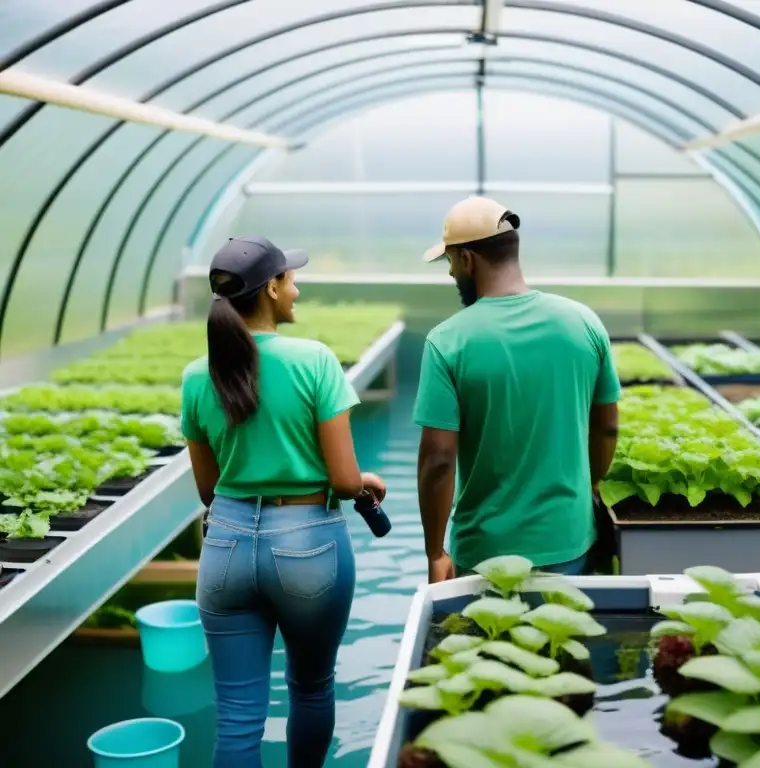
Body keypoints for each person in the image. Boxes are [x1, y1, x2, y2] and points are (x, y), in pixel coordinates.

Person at [181, 236, 386, 768]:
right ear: (271, 289)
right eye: (291, 279)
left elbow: (209, 488)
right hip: (308, 542)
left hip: (224, 542)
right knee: (312, 688)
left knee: (237, 716)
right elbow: (343, 482)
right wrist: (364, 479)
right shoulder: (313, 360)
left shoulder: (197, 374)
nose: (296, 289)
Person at [413, 197, 621, 583]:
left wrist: (434, 551)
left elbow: (439, 460)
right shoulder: (583, 323)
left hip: (484, 554)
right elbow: (607, 427)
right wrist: (587, 485)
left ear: (468, 260)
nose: (450, 274)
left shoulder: (447, 342)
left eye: (450, 262)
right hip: (570, 541)